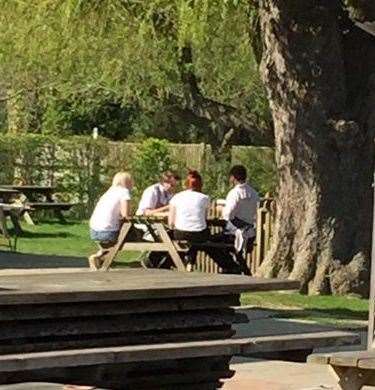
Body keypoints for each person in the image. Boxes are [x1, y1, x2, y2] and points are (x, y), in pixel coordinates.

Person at [213, 165, 259, 274]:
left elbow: (228, 214)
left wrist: (221, 210)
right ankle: (238, 268)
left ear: (233, 177)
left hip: (234, 231)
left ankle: (230, 267)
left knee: (212, 242)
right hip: (250, 231)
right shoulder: (254, 193)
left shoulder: (234, 193)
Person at [89, 171, 133, 269]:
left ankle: (100, 257)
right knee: (133, 235)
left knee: (110, 246)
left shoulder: (109, 192)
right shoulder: (124, 192)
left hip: (94, 230)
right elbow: (125, 214)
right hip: (108, 232)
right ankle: (99, 258)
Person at [169, 170, 210, 271]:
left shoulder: (176, 197)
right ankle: (190, 262)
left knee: (186, 237)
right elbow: (204, 218)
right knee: (196, 235)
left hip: (180, 233)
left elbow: (171, 222)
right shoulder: (205, 198)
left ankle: (184, 261)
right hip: (199, 234)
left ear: (186, 184)